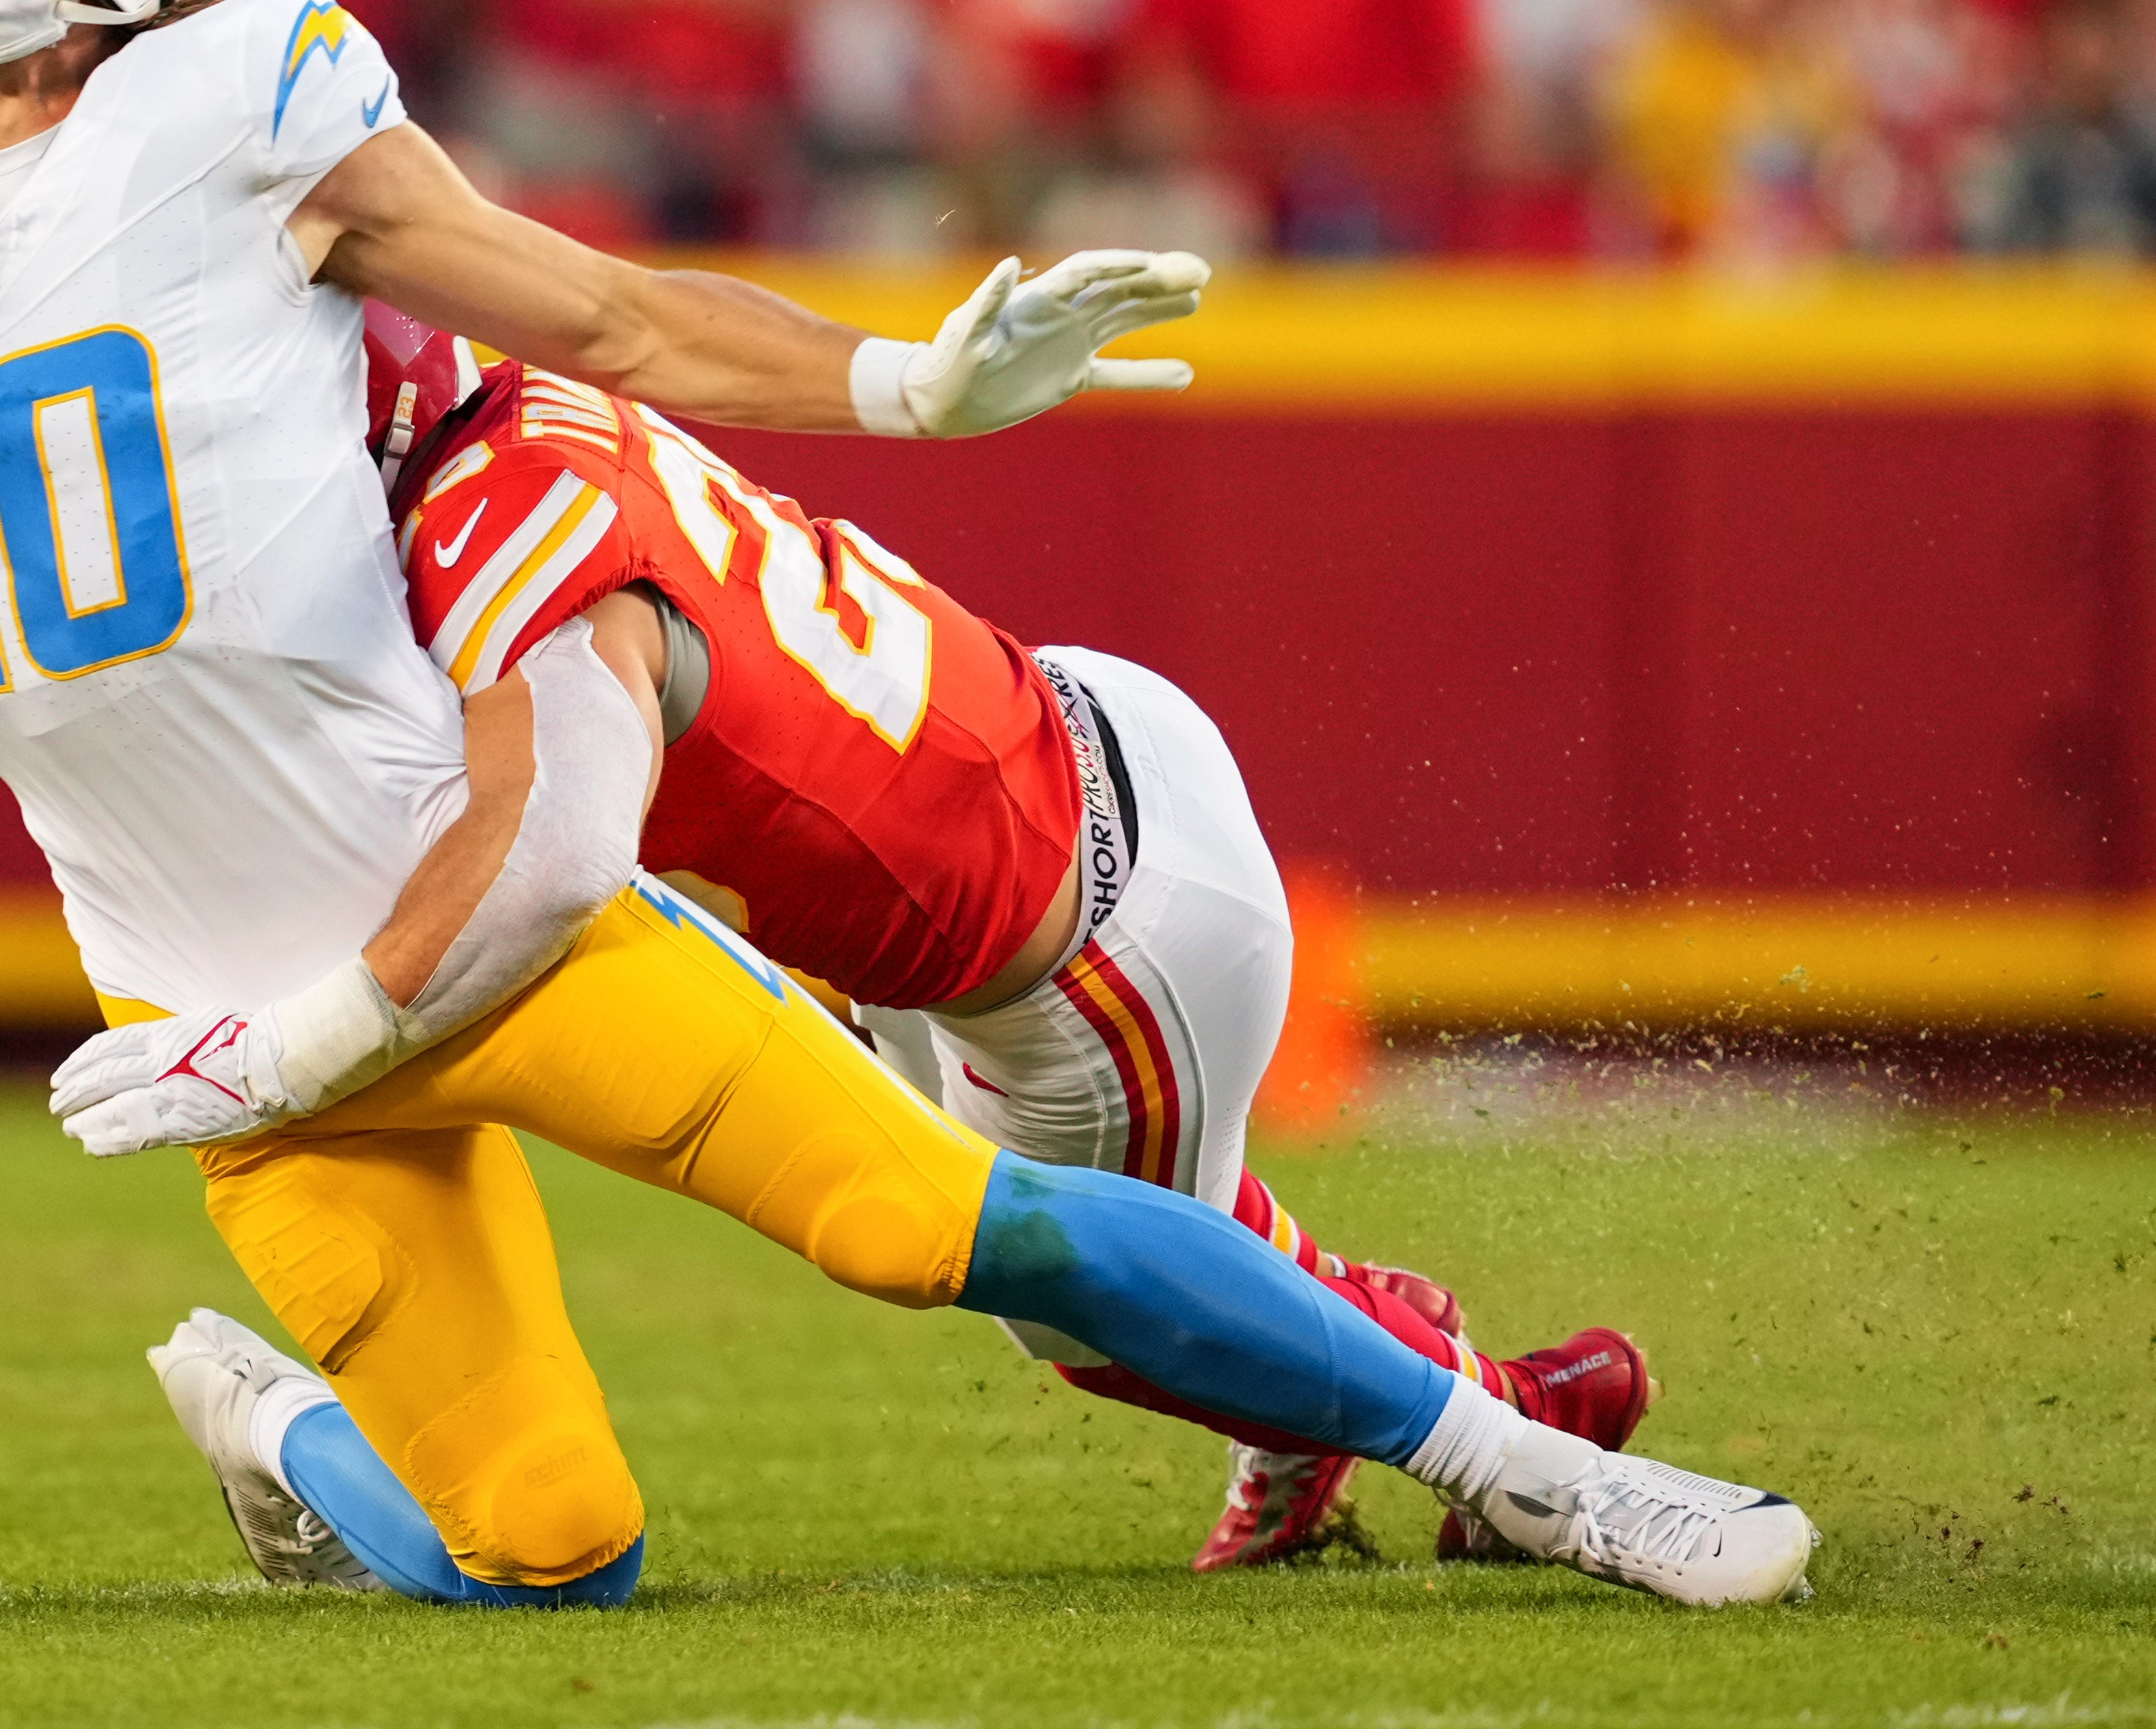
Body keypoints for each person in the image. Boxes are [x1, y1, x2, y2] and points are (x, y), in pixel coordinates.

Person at [0, 0, 1815, 1611]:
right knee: (553, 1557)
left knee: (924, 1225)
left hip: (456, 911)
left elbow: (603, 312)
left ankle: (1527, 1469)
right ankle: (286, 1425)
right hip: (198, 1014)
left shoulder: (247, 100)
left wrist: (899, 384)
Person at [333, 305, 1654, 1573]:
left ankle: (1523, 1409)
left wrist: (311, 1037)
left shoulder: (490, 534)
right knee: (1099, 1214)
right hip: (1054, 740)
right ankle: (1343, 1355)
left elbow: (551, 854)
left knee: (1084, 1305)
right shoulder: (535, 415)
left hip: (1092, 932)